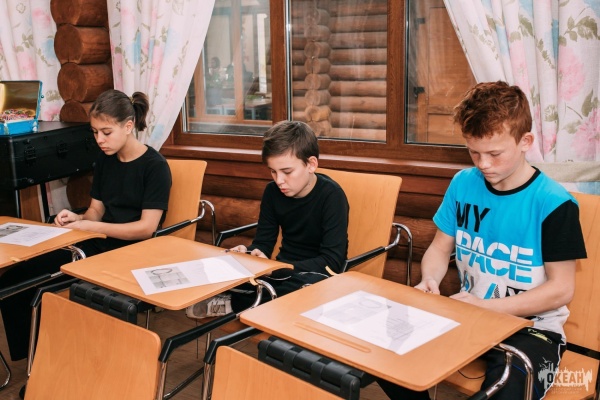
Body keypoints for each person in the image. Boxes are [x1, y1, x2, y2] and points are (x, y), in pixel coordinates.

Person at [379, 81, 588, 400]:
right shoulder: (463, 183)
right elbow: (439, 248)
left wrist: (487, 307)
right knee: (385, 352)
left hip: (532, 330)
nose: (483, 164)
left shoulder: (554, 203)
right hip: (468, 316)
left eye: (494, 153)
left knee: (505, 391)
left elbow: (562, 289)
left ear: (525, 141)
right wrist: (430, 280)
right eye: (474, 152)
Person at [0, 89, 172, 361]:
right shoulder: (105, 160)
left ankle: (52, 358)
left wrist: (93, 228)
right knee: (14, 281)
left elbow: (146, 228)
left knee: (40, 288)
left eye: (106, 132)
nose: (99, 140)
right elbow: (95, 211)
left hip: (132, 252)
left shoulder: (155, 167)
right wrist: (77, 219)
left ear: (128, 126)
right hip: (96, 243)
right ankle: (37, 358)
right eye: (95, 132)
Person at [186, 120, 349, 317]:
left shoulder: (332, 196)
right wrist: (247, 255)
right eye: (273, 171)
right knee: (227, 269)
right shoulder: (272, 192)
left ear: (311, 164)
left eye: (287, 172)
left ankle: (234, 304)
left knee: (305, 289)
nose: (279, 180)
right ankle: (253, 302)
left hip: (316, 277)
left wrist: (275, 269)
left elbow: (332, 262)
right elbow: (263, 243)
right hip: (279, 272)